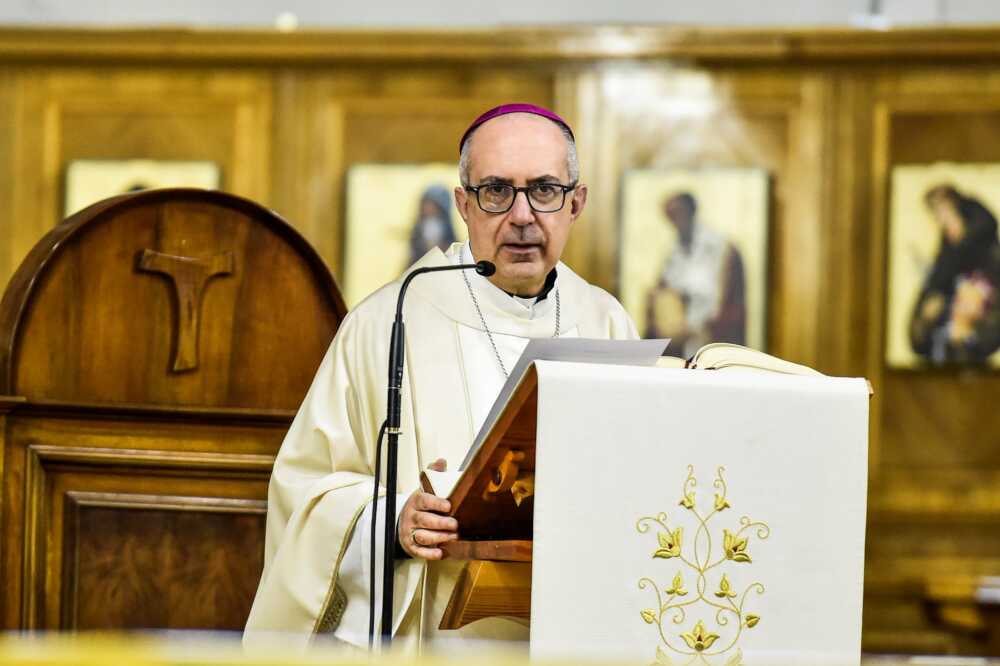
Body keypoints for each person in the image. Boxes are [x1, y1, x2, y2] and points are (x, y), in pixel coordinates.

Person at [244, 103, 638, 652]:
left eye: (545, 189)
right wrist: (391, 521)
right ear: (463, 204)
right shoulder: (389, 321)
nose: (522, 215)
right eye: (496, 191)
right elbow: (304, 490)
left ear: (576, 203)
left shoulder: (606, 323)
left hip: (571, 635)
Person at [644, 192, 746, 358]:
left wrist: (701, 327)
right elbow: (665, 292)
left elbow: (730, 305)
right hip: (680, 343)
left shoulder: (723, 250)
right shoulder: (673, 254)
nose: (676, 222)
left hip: (713, 339)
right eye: (671, 217)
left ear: (691, 212)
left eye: (678, 214)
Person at [909, 184, 1000, 364]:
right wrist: (927, 317)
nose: (943, 222)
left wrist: (970, 334)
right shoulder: (945, 261)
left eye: (946, 212)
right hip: (940, 356)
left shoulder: (990, 264)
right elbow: (918, 337)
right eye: (937, 215)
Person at [407, 184, 457, 266]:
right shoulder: (418, 229)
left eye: (432, 205)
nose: (428, 208)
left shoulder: (446, 229)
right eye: (426, 204)